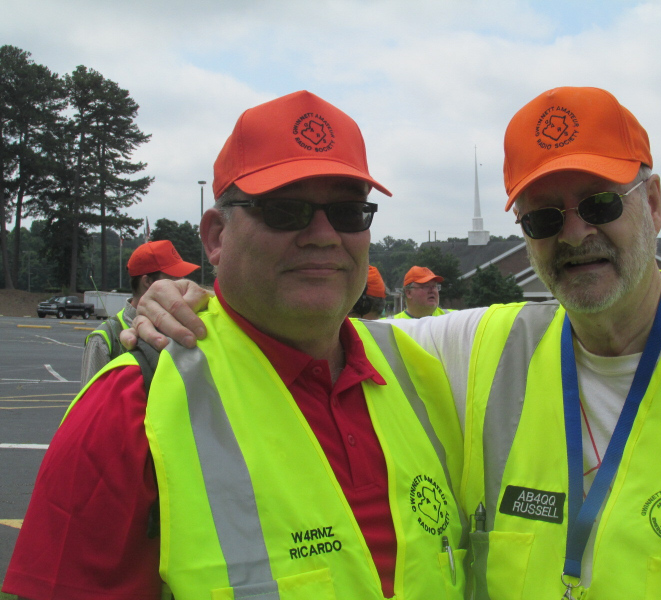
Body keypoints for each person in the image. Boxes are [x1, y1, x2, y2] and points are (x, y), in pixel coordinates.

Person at [129, 86, 661, 599]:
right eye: (543, 217)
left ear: (651, 203)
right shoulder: (483, 350)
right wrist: (196, 300)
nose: (574, 234)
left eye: (600, 203)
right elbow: (309, 327)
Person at [3, 91, 467, 600]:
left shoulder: (420, 372)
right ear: (216, 237)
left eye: (349, 212)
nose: (323, 235)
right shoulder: (131, 405)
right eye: (285, 210)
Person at [80, 240, 199, 385]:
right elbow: (92, 398)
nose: (181, 284)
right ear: (147, 281)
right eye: (174, 278)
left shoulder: (185, 324)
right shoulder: (103, 340)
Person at [387, 266, 453, 319]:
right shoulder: (391, 324)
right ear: (408, 293)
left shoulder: (452, 318)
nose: (432, 290)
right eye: (426, 286)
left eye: (434, 286)